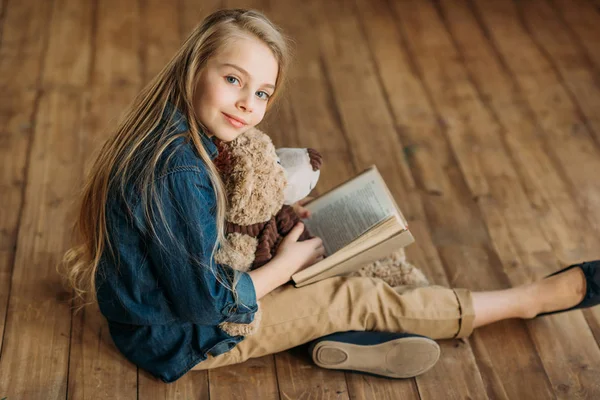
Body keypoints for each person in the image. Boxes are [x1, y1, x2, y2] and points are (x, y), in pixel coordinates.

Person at [59, 8, 600, 384]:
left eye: (262, 92)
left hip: (163, 314)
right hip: (177, 341)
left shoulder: (175, 134)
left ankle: (339, 339)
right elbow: (209, 303)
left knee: (326, 251)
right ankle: (525, 301)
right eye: (233, 79)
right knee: (350, 292)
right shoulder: (179, 170)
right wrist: (287, 260)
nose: (248, 103)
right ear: (193, 69)